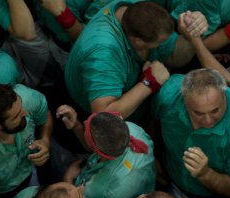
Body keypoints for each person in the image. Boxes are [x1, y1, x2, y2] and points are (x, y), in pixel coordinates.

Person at [64, 2, 206, 119]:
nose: (163, 44)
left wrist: (190, 35)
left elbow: (174, 56)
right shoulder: (104, 54)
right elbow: (103, 117)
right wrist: (149, 82)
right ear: (137, 41)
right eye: (159, 43)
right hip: (85, 116)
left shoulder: (135, 11)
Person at [152, 68, 230, 198]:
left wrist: (205, 174)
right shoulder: (169, 94)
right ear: (184, 100)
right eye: (198, 113)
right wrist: (154, 156)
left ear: (224, 95)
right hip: (170, 184)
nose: (208, 121)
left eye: (215, 110)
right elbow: (152, 117)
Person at [56, 108, 156, 198]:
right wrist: (76, 126)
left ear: (97, 150)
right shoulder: (135, 131)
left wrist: (68, 181)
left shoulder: (95, 195)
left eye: (87, 129)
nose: (86, 121)